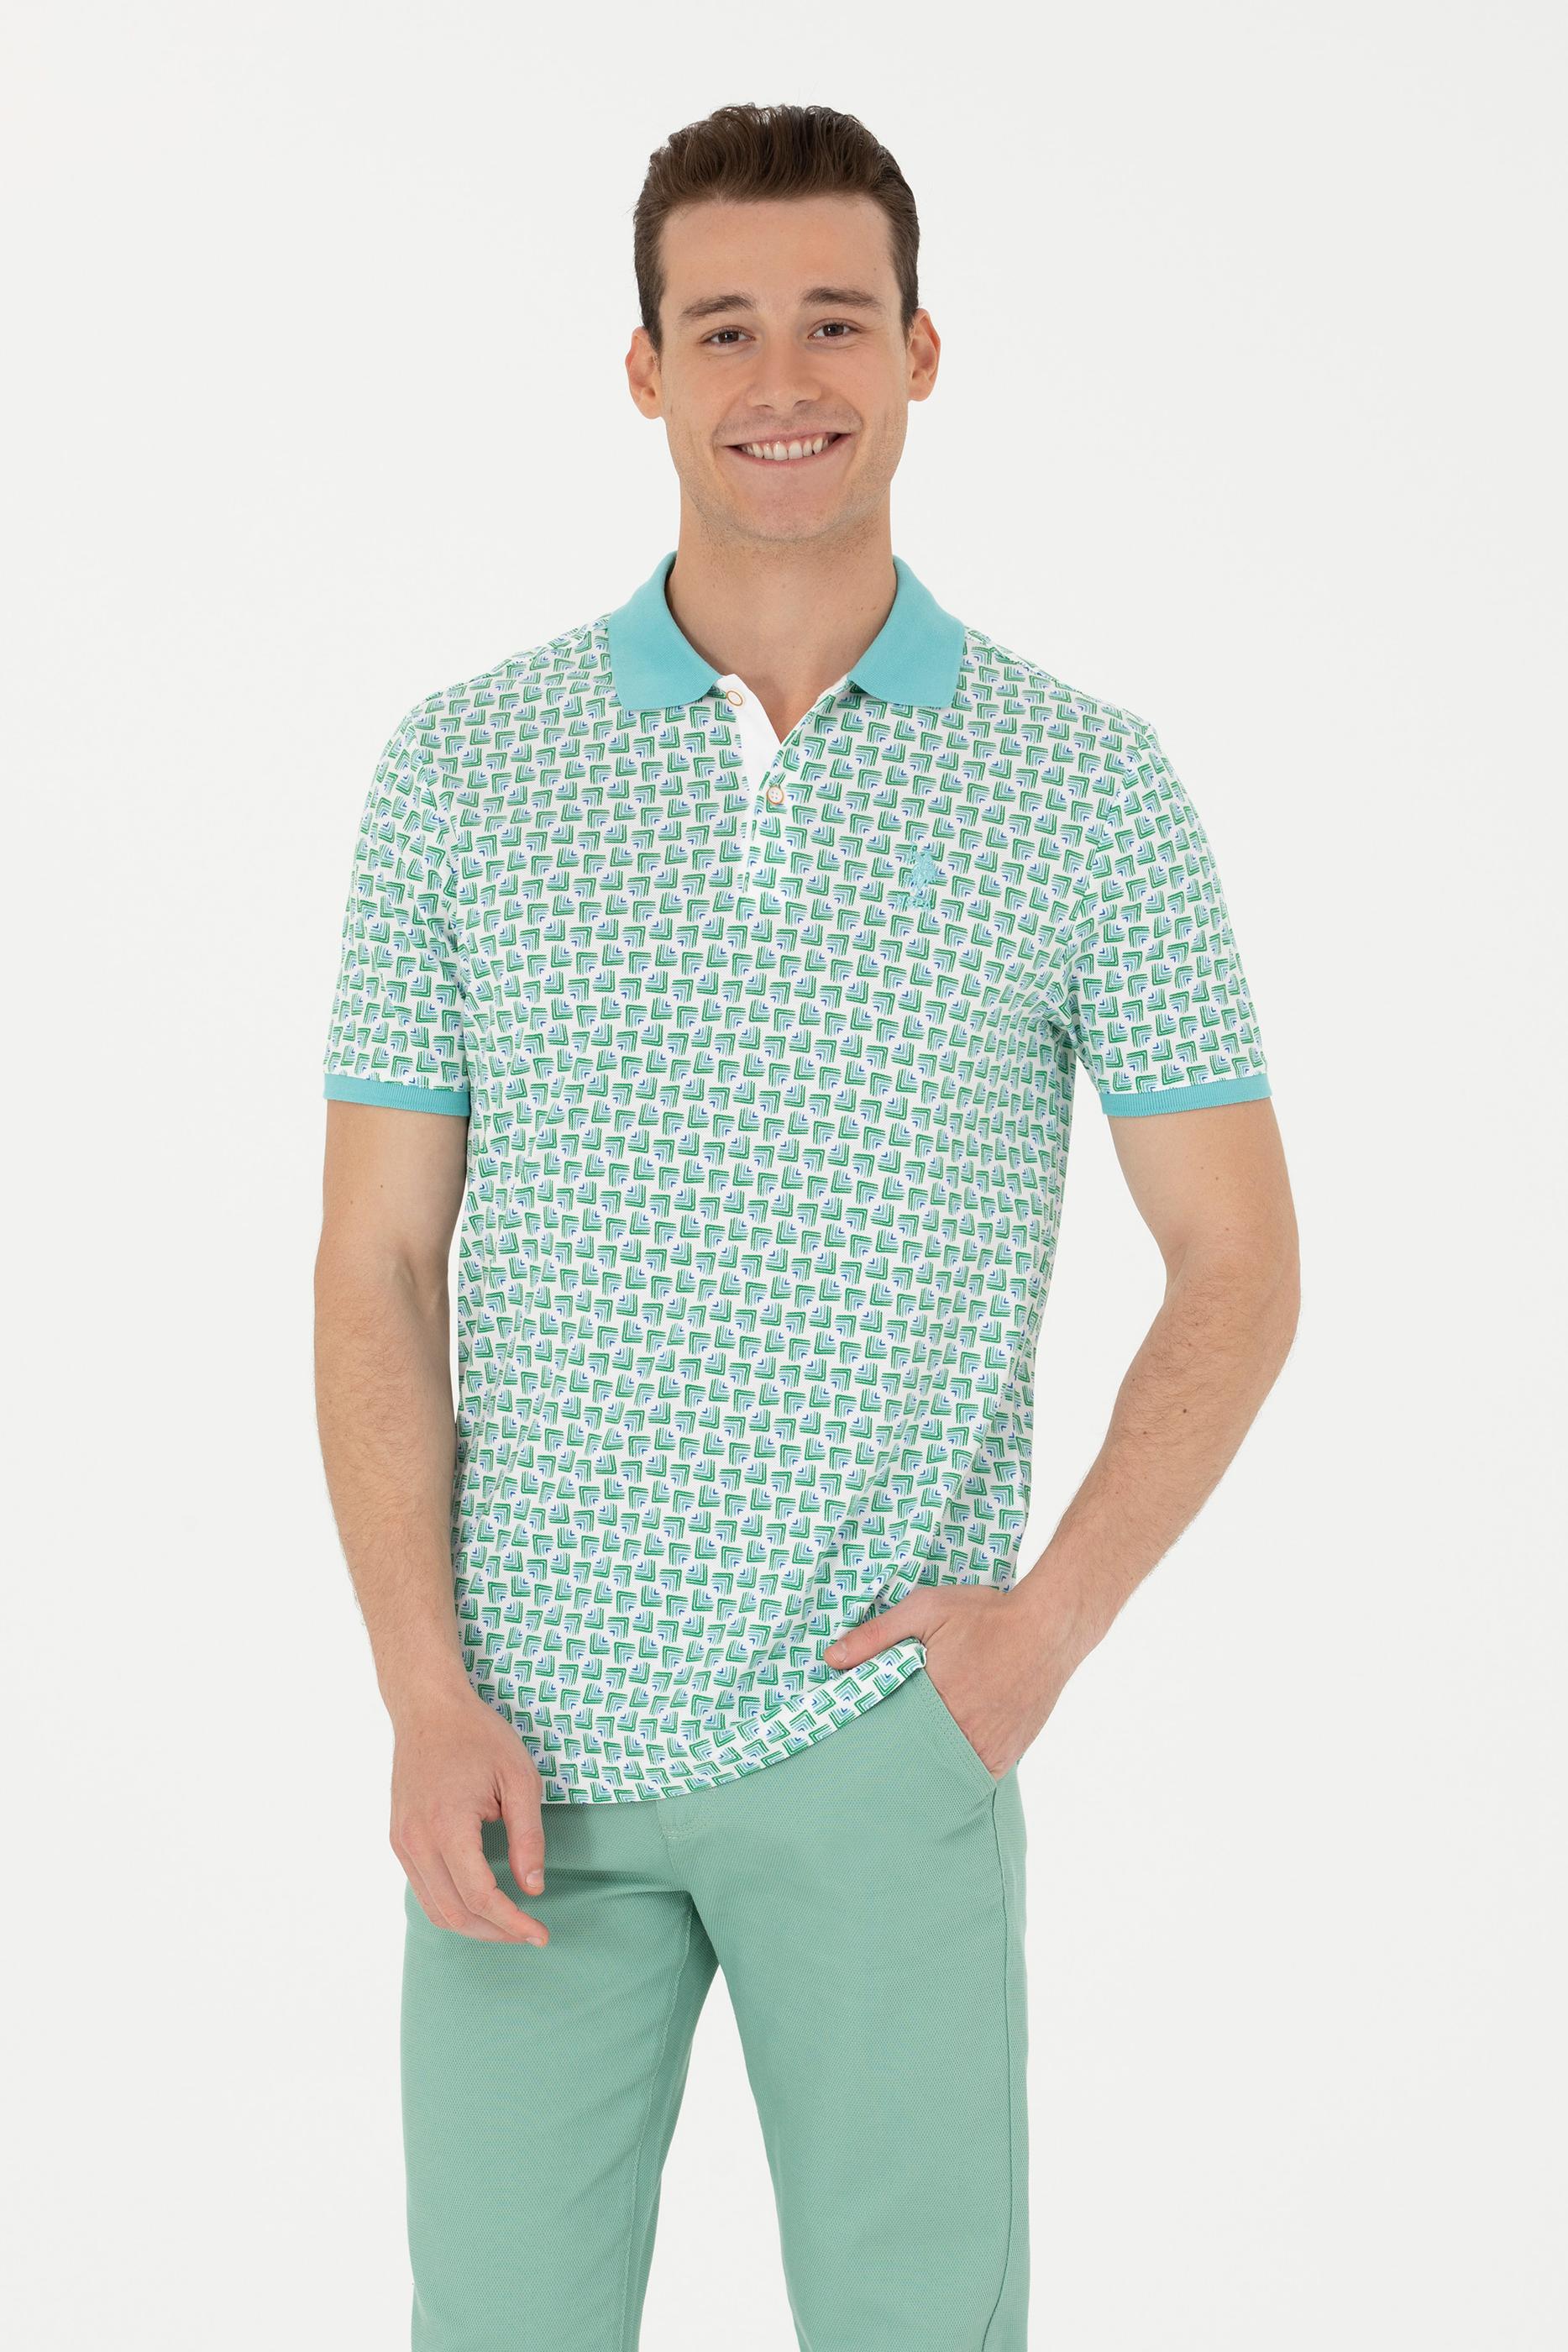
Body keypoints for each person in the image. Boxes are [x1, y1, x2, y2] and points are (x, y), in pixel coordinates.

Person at [313, 98, 1299, 2352]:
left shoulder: (1088, 786)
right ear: (642, 368)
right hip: (520, 1760)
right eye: (725, 326)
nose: (784, 378)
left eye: (836, 321)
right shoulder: (462, 771)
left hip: (875, 1743)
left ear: (921, 352)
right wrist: (422, 1694)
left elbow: (1239, 1264)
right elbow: (376, 1265)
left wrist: (1034, 1641)